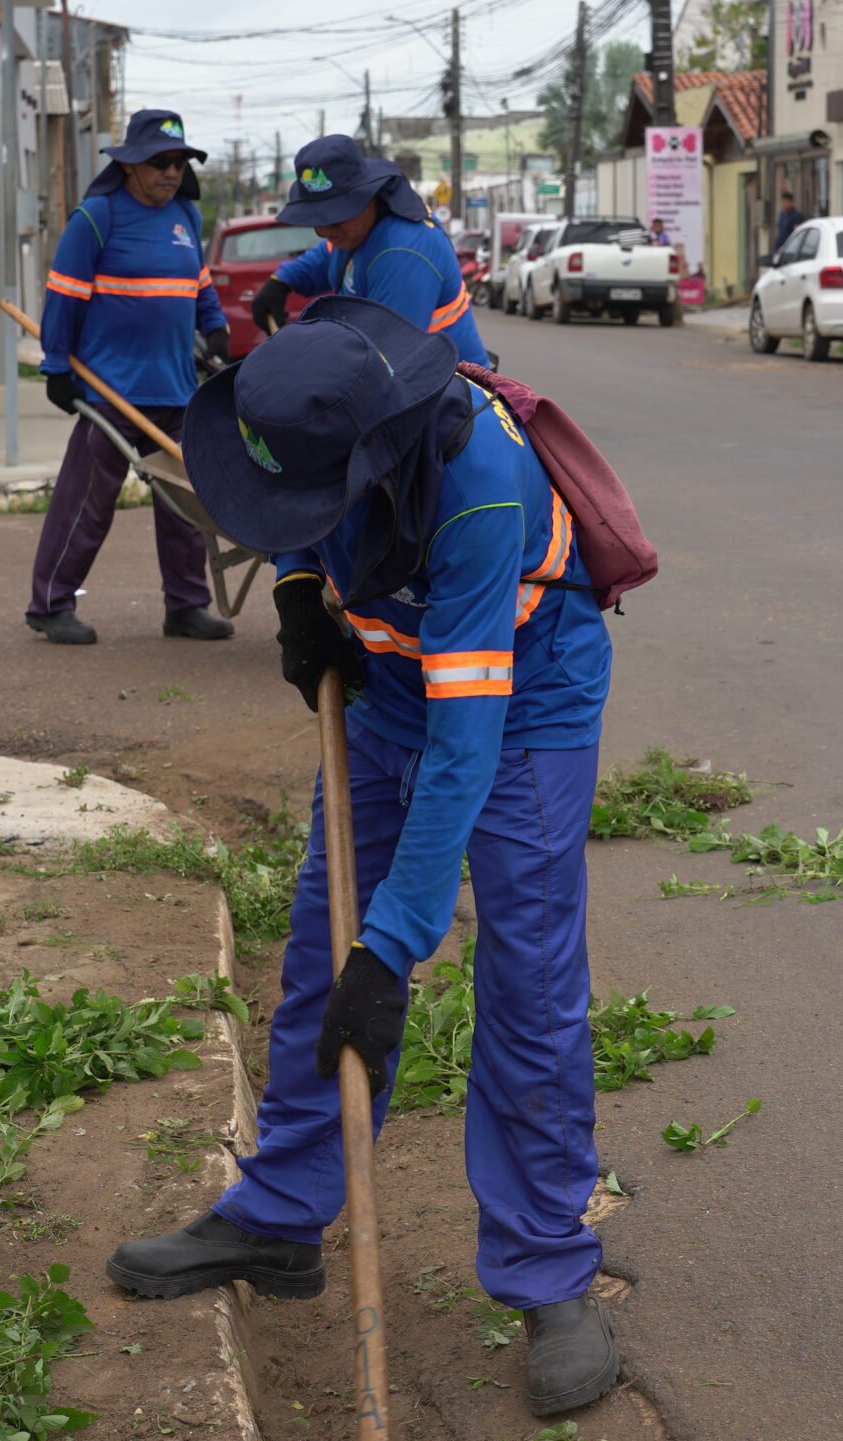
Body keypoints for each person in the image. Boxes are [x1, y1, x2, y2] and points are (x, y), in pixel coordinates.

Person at [110, 296, 617, 1417]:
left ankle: (546, 1268)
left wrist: (391, 955)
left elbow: (463, 754)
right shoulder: (322, 407)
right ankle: (279, 1216)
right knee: (314, 952)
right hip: (387, 695)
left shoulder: (482, 491)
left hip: (522, 711)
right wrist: (299, 594)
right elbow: (285, 509)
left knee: (527, 985)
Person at [25, 110, 231, 646]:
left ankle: (186, 606)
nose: (170, 172)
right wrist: (55, 367)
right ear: (132, 164)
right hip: (112, 387)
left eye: (178, 162)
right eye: (159, 162)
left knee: (185, 505)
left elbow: (200, 285)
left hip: (176, 386)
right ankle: (50, 604)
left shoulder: (185, 216)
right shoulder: (97, 217)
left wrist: (216, 327)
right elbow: (64, 297)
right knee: (88, 503)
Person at [251, 135, 488, 367]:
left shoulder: (402, 253)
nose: (325, 229)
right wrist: (282, 281)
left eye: (334, 217)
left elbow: (384, 362)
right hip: (402, 379)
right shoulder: (351, 232)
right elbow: (325, 255)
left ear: (367, 196)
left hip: (449, 389)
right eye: (317, 219)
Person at [773, 188, 805, 256]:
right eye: (783, 202)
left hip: (788, 251)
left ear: (791, 202)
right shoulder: (782, 214)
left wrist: (786, 247)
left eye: (786, 202)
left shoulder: (796, 215)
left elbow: (797, 234)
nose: (784, 205)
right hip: (779, 248)